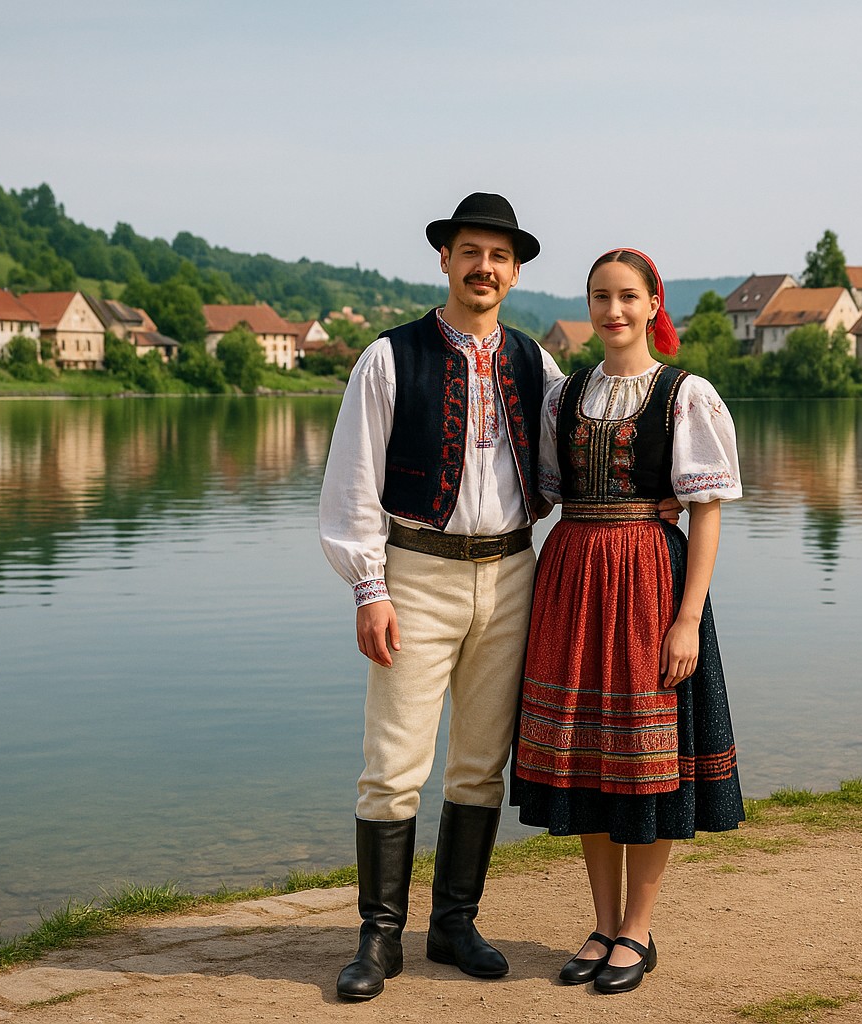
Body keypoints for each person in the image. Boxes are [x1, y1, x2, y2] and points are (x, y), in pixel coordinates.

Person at [318, 192, 563, 1001]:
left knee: (481, 764)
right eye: (471, 252)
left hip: (514, 571)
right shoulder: (389, 358)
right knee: (393, 765)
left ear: (515, 271)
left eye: (499, 256)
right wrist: (369, 589)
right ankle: (379, 937)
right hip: (416, 574)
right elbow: (352, 481)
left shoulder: (536, 364)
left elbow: (576, 453)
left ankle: (454, 924)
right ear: (446, 260)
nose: (484, 267)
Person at [511, 247, 744, 995]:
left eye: (626, 297)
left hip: (649, 583)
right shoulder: (565, 395)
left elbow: (706, 512)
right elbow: (545, 491)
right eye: (599, 297)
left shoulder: (685, 394)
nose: (612, 311)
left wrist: (688, 617)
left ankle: (638, 929)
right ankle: (602, 922)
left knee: (646, 760)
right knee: (589, 755)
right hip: (573, 579)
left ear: (653, 305)